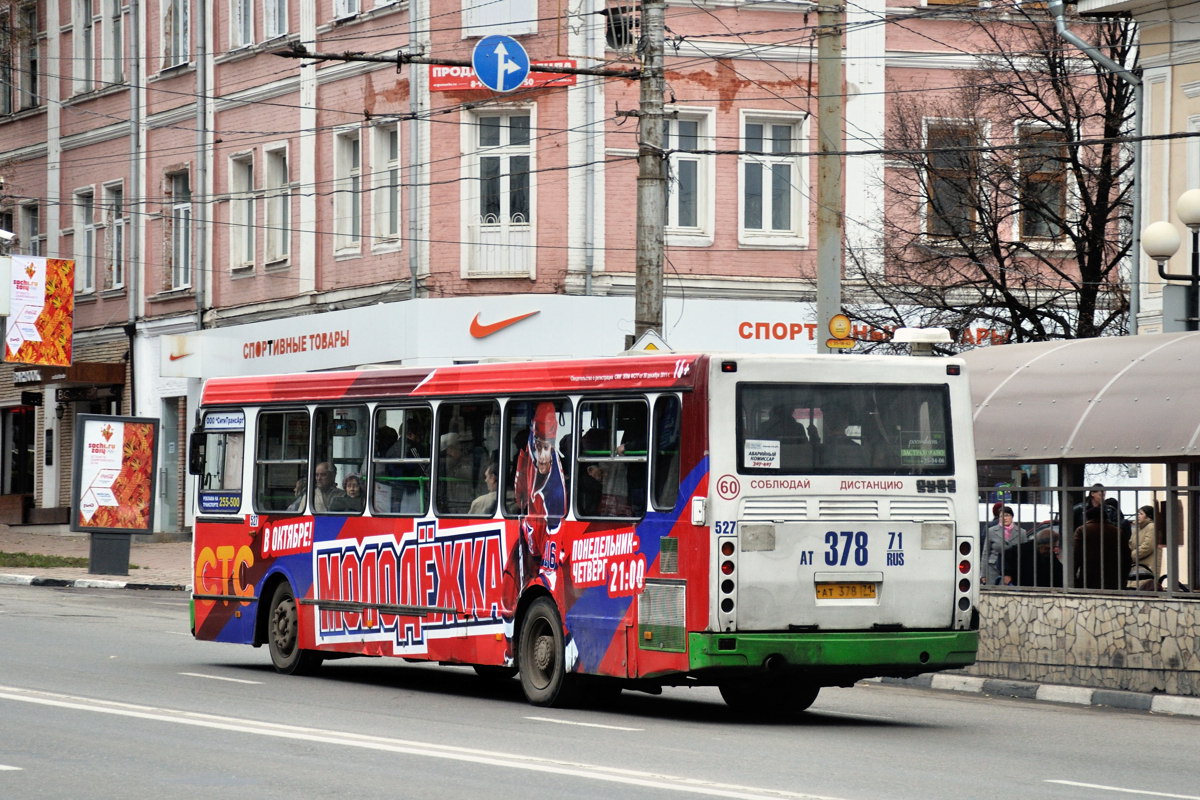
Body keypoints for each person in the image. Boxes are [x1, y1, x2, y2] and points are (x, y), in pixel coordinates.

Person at [1073, 504, 1127, 590]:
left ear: (1088, 518)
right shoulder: (1117, 531)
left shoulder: (1082, 530)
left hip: (1089, 575)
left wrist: (1073, 576)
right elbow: (1126, 555)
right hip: (1113, 577)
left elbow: (1076, 554)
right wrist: (1124, 576)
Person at [984, 505, 1025, 585]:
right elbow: (985, 553)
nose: (1004, 518)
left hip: (1013, 571)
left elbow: (1024, 555)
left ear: (1012, 517)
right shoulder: (991, 531)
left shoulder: (1021, 532)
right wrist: (983, 574)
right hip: (993, 570)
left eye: (1007, 515)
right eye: (1001, 516)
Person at [1128, 505, 1158, 588]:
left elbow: (1148, 546)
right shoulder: (1138, 528)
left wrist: (1131, 556)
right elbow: (1131, 543)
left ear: (1148, 516)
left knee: (1145, 587)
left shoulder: (1151, 527)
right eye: (1138, 513)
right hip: (1136, 565)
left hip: (1147, 564)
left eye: (1141, 514)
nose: (1138, 516)